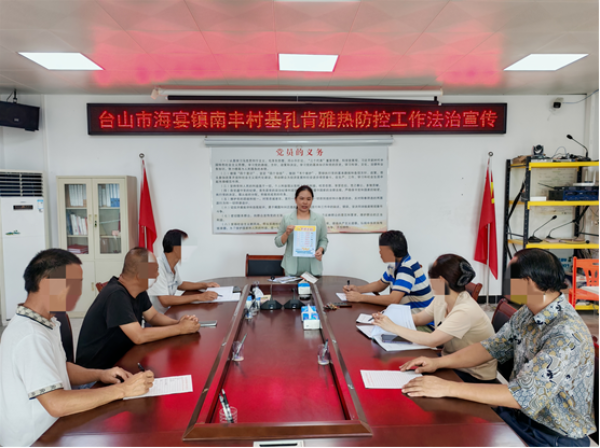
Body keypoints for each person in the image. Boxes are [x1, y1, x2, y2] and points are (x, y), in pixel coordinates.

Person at [401, 249, 596, 448]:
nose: (504, 282)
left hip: (552, 436)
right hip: (519, 417)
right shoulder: (527, 313)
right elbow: (490, 348)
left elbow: (522, 395)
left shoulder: (565, 333)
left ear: (528, 282)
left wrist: (447, 387)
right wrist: (438, 363)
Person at [0, 249, 155, 448]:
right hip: (36, 439)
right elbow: (56, 404)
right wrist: (123, 389)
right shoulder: (30, 335)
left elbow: (60, 367)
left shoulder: (47, 322)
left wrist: (101, 374)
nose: (78, 293)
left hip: (58, 428)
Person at [372, 254, 498, 384]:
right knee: (403, 366)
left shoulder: (465, 310)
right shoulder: (442, 297)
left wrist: (393, 327)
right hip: (451, 362)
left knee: (408, 377)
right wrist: (387, 319)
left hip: (473, 375)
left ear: (441, 281)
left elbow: (432, 340)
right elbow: (419, 318)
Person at [76, 247, 200, 371]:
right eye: (154, 270)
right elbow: (139, 336)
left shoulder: (138, 290)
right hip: (97, 373)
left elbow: (153, 316)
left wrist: (178, 322)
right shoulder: (116, 294)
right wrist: (180, 329)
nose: (157, 274)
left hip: (122, 362)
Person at [344, 230, 434, 312]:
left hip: (421, 321)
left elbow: (393, 300)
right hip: (407, 316)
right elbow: (380, 284)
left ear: (391, 251)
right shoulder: (394, 265)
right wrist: (357, 289)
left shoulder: (407, 268)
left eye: (381, 250)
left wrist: (361, 298)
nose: (380, 253)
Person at [147, 229, 221, 314]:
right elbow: (165, 300)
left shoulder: (172, 264)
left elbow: (180, 284)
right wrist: (199, 297)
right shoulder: (153, 266)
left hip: (168, 313)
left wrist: (205, 285)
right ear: (176, 249)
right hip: (154, 318)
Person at [275, 185, 329, 277]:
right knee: (291, 287)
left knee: (314, 287)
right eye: (301, 198)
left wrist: (320, 250)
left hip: (313, 267)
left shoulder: (319, 219)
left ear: (312, 200)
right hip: (291, 268)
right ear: (295, 200)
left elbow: (323, 239)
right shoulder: (287, 218)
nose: (305, 202)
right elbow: (278, 243)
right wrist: (286, 234)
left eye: (308, 199)